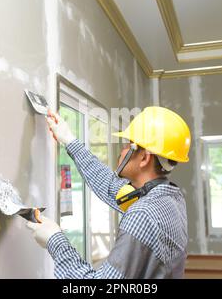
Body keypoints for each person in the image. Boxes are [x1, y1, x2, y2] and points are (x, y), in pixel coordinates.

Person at [26, 106, 191, 279]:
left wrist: (54, 240)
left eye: (128, 145)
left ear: (144, 158)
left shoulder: (143, 214)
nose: (122, 150)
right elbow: (109, 184)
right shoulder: (170, 199)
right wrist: (69, 139)